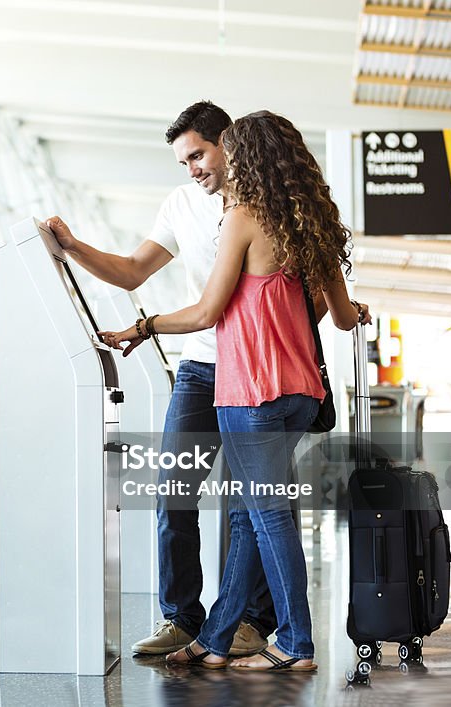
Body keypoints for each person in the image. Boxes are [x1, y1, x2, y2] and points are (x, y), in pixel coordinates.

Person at [99, 110, 372, 671]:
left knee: (267, 517)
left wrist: (142, 327)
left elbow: (206, 311)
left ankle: (296, 644)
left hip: (251, 389)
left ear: (240, 154)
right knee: (252, 515)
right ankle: (217, 639)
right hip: (302, 392)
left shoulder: (243, 217)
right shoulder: (312, 222)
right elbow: (342, 317)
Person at [46, 101, 279, 657]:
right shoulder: (181, 204)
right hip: (200, 368)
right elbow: (132, 270)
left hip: (257, 370)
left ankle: (252, 621)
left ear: (229, 141)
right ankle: (181, 617)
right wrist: (73, 246)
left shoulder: (267, 202)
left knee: (256, 502)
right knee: (174, 494)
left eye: (198, 154)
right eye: (184, 161)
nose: (193, 168)